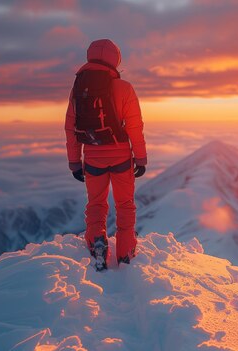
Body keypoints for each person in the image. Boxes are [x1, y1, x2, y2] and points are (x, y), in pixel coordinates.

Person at [64, 39, 147, 271]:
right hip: (121, 157)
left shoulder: (78, 89)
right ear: (115, 60)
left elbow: (71, 128)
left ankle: (96, 242)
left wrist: (74, 161)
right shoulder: (124, 88)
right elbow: (134, 127)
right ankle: (125, 252)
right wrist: (140, 157)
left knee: (96, 204)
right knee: (125, 205)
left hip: (92, 158)